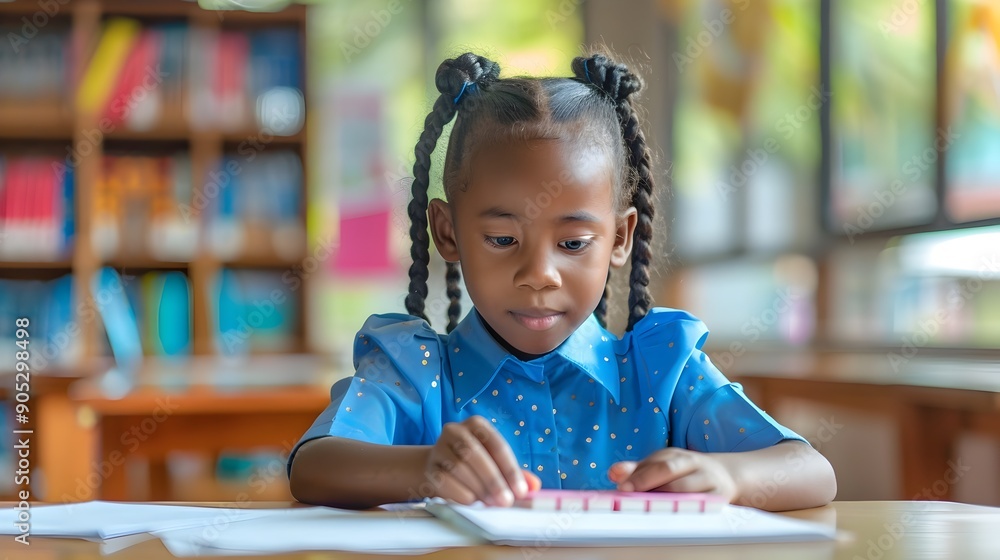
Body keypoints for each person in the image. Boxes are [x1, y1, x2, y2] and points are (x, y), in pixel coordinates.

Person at [288, 52, 837, 511]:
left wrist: (730, 479)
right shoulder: (415, 370)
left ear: (621, 238)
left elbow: (811, 470)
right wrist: (426, 468)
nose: (539, 276)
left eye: (573, 244)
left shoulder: (662, 371)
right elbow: (313, 466)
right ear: (447, 232)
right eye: (502, 240)